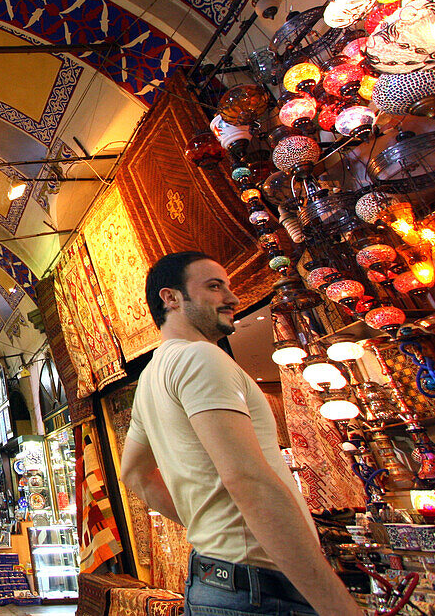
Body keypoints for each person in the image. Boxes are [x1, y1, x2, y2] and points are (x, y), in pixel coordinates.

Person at [120, 252, 362, 616]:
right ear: (170, 298)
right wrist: (338, 607)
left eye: (228, 286)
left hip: (216, 580)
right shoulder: (199, 358)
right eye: (214, 287)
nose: (232, 298)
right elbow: (249, 480)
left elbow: (135, 475)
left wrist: (213, 525)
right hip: (261, 590)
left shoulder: (152, 379)